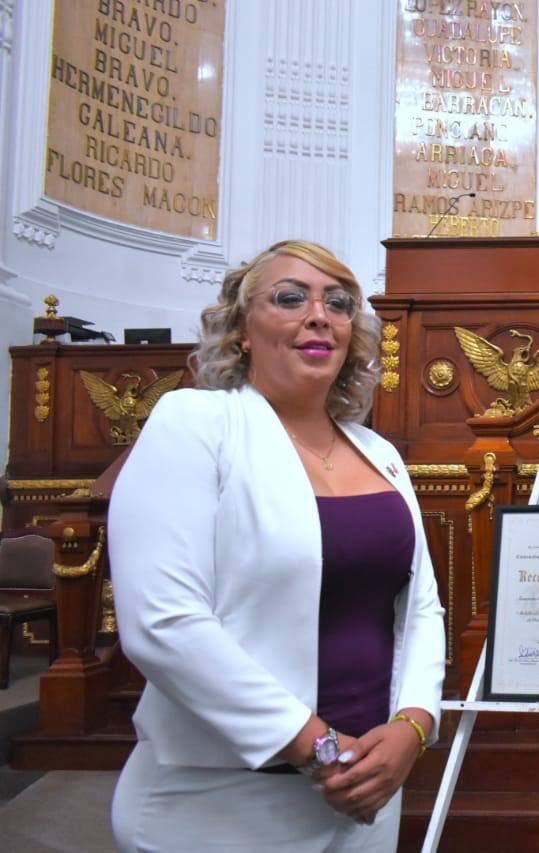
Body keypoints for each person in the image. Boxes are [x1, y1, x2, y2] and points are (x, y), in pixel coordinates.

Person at [108, 240, 445, 851]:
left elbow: (420, 609)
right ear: (242, 328)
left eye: (339, 304)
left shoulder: (380, 454)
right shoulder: (195, 424)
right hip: (221, 802)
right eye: (290, 298)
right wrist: (317, 746)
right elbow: (163, 623)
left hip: (368, 792)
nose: (319, 315)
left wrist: (413, 727)